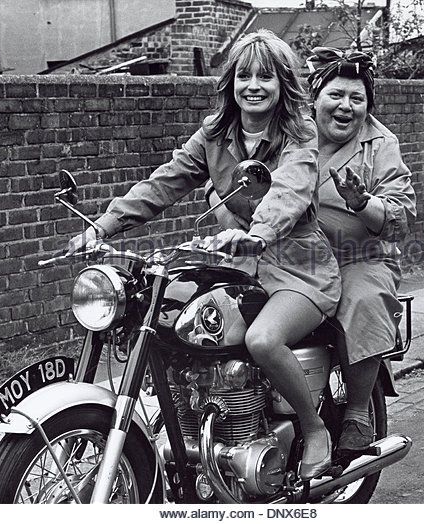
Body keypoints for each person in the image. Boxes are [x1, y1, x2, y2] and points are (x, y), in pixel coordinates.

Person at [67, 30, 341, 480]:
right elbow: (165, 181)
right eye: (244, 75)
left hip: (299, 269)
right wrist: (103, 225)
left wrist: (259, 232)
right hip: (239, 268)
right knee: (177, 332)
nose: (254, 85)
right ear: (230, 81)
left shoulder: (300, 134)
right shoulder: (215, 134)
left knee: (263, 341)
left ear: (283, 84)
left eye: (266, 77)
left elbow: (291, 187)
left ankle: (314, 429)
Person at [306, 48, 416, 453]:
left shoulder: (381, 143)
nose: (345, 107)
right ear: (315, 96)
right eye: (336, 95)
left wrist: (361, 202)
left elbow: (400, 217)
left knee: (364, 299)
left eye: (357, 98)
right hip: (295, 254)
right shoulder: (293, 135)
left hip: (360, 256)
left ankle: (356, 412)